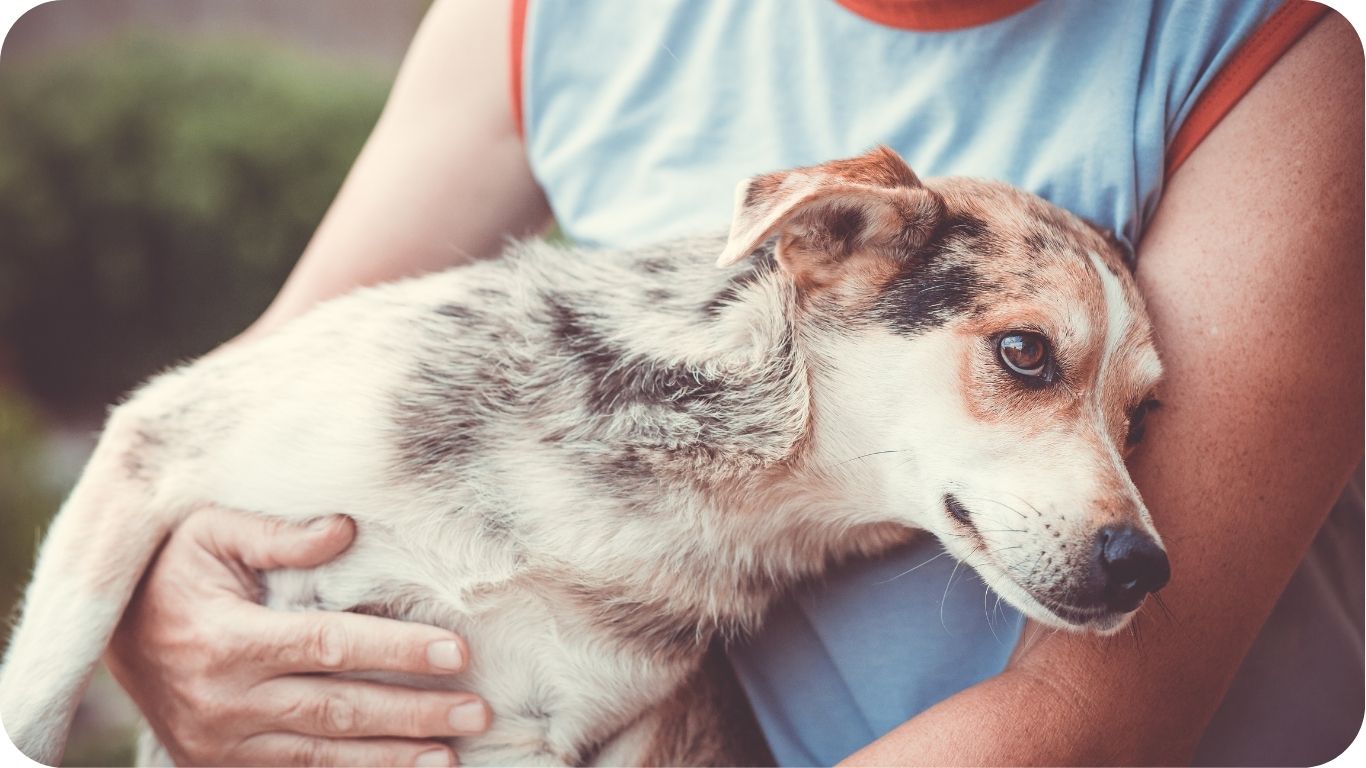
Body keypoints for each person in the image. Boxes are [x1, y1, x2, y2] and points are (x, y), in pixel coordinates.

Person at [101, 1, 1363, 765]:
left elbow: (1091, 731)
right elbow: (273, 374)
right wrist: (159, 621)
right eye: (1022, 356)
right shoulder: (550, 14)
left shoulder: (1291, 54)